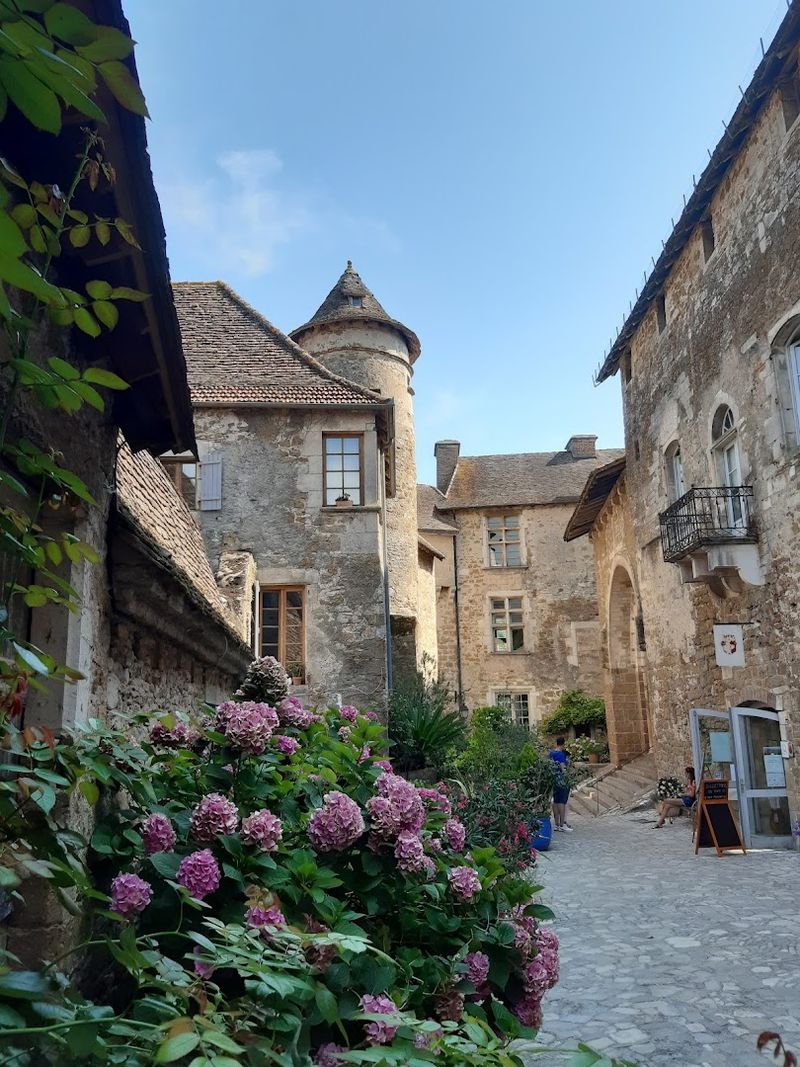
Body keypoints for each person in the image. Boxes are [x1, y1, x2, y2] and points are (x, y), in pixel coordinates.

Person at [549, 736, 572, 832]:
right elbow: (563, 768)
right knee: (562, 802)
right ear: (563, 744)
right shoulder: (561, 754)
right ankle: (562, 825)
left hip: (553, 779)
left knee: (555, 802)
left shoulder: (551, 753)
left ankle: (556, 824)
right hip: (561, 780)